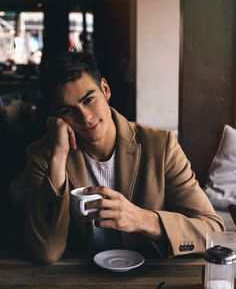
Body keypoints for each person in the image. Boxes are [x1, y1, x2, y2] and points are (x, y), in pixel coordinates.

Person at [24, 50, 224, 264]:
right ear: (55, 116)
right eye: (68, 111)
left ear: (105, 89)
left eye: (89, 99)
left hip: (150, 276)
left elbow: (212, 231)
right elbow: (45, 252)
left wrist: (142, 219)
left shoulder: (160, 146)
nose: (86, 117)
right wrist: (59, 155)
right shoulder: (43, 155)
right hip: (77, 278)